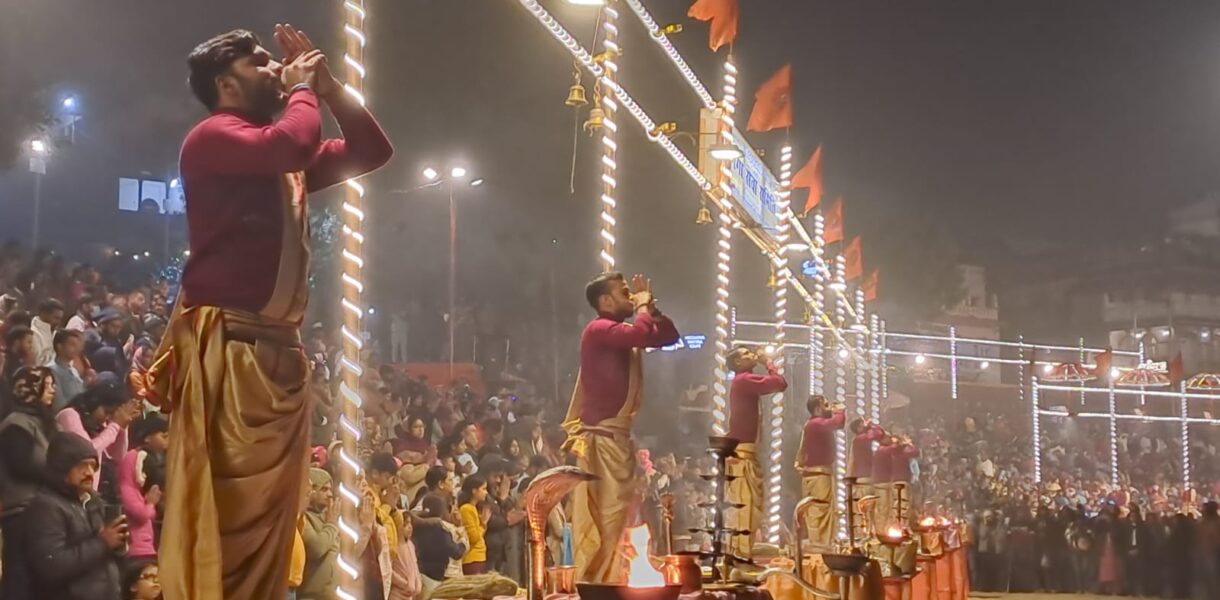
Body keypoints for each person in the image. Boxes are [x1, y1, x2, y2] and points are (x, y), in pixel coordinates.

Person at [148, 24, 392, 599]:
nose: (276, 68)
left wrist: (330, 92)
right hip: (232, 351)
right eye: (261, 62)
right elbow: (290, 144)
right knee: (233, 521)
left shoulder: (278, 158)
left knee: (274, 522)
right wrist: (304, 89)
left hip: (278, 351)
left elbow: (373, 151)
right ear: (226, 82)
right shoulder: (214, 137)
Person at [563, 272, 679, 583]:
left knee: (621, 514)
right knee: (609, 516)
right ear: (605, 301)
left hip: (618, 439)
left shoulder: (619, 332)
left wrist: (651, 310)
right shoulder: (599, 329)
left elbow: (668, 337)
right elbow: (640, 336)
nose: (631, 297)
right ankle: (601, 583)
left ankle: (612, 578)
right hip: (602, 441)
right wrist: (642, 309)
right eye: (624, 292)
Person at [24, 432, 129, 599]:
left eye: (93, 466)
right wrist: (103, 542)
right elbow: (51, 565)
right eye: (82, 466)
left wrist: (118, 545)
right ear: (62, 468)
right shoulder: (45, 506)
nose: (89, 472)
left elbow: (107, 559)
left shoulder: (94, 502)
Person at [724, 345, 787, 558]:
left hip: (746, 452)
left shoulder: (744, 381)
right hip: (743, 455)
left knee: (751, 509)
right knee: (746, 509)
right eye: (746, 354)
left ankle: (743, 553)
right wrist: (768, 363)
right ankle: (740, 555)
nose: (752, 355)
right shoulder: (744, 380)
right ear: (738, 363)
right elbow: (779, 383)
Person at [0, 366, 59, 597]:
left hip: (41, 510)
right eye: (48, 385)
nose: (53, 390)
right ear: (33, 388)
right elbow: (21, 465)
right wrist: (59, 473)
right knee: (20, 577)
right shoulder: (16, 423)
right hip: (21, 512)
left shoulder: (43, 423)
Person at [56, 378, 138, 493]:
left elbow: (117, 456)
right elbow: (86, 451)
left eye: (112, 415)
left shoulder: (97, 426)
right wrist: (115, 424)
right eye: (107, 412)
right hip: (65, 492)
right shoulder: (69, 415)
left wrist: (123, 427)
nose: (108, 418)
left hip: (88, 494)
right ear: (95, 401)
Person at [795, 395, 845, 550]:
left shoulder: (811, 425)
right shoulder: (816, 424)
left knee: (817, 512)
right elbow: (838, 423)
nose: (829, 408)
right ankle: (821, 548)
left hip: (817, 475)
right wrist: (840, 411)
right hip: (818, 477)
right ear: (817, 409)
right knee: (819, 512)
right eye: (826, 405)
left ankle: (821, 546)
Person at [117, 416, 169, 561]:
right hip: (136, 550)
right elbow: (141, 514)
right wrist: (151, 503)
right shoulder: (127, 489)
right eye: (163, 435)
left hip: (147, 545)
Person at [299, 468, 341, 600]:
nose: (330, 494)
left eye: (330, 490)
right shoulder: (303, 518)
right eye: (324, 489)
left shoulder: (327, 517)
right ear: (311, 491)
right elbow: (316, 548)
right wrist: (331, 525)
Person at [414, 493, 467, 598]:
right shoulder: (440, 529)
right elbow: (456, 553)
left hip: (419, 572)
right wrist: (463, 541)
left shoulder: (416, 526)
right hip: (434, 576)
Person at [847, 418, 887, 533]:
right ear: (858, 428)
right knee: (865, 511)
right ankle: (865, 535)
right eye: (862, 424)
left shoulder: (859, 440)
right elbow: (879, 433)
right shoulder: (861, 439)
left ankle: (869, 533)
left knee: (868, 511)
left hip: (865, 478)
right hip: (863, 479)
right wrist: (871, 425)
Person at [458, 474, 491, 575]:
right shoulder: (466, 509)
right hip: (472, 559)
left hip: (479, 557)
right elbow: (474, 537)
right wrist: (483, 524)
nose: (486, 492)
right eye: (483, 489)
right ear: (474, 490)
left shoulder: (473, 508)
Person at [47, 329, 87, 411]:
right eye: (72, 344)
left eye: (77, 345)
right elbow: (58, 404)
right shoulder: (50, 371)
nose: (76, 349)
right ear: (59, 346)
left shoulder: (74, 370)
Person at [29, 299, 64, 367]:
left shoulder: (55, 332)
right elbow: (37, 362)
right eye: (56, 318)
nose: (58, 322)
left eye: (60, 319)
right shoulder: (33, 333)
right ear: (44, 314)